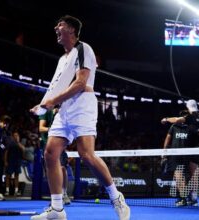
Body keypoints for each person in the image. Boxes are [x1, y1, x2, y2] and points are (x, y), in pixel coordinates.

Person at [30, 15, 130, 220]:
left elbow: (80, 83)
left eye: (61, 25)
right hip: (65, 108)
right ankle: (57, 209)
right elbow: (55, 87)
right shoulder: (62, 59)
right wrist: (43, 105)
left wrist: (52, 101)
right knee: (50, 153)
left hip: (83, 104)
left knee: (86, 154)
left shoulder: (84, 48)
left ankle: (116, 197)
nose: (56, 27)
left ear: (72, 30)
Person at [161, 100, 199, 206]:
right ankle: (185, 197)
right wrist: (165, 152)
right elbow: (168, 138)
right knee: (179, 175)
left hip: (189, 154)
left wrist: (165, 119)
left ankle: (190, 197)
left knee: (191, 176)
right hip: (176, 155)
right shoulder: (175, 127)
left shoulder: (191, 126)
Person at [39, 108, 71, 205]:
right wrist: (53, 129)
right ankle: (56, 198)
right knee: (51, 171)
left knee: (63, 168)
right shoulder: (45, 112)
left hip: (60, 143)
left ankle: (64, 194)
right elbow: (41, 128)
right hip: (47, 144)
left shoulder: (63, 111)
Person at [4, 131, 25, 196]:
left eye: (17, 135)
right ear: (13, 137)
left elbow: (23, 150)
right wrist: (5, 161)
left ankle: (16, 191)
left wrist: (18, 142)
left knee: (16, 176)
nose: (16, 136)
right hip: (10, 161)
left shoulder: (20, 144)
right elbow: (6, 153)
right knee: (8, 176)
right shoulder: (10, 144)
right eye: (15, 135)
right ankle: (7, 190)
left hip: (17, 162)